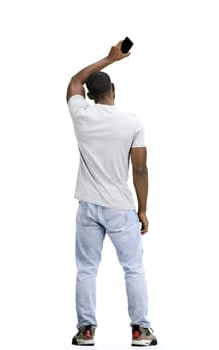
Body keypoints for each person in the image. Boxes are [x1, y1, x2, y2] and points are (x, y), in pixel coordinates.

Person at [66, 40, 157, 347]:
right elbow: (140, 170)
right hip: (120, 207)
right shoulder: (132, 122)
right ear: (113, 89)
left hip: (89, 206)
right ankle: (140, 330)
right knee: (133, 268)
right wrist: (142, 210)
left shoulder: (81, 115)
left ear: (89, 96)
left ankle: (86, 330)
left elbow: (75, 80)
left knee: (87, 269)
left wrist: (109, 58)